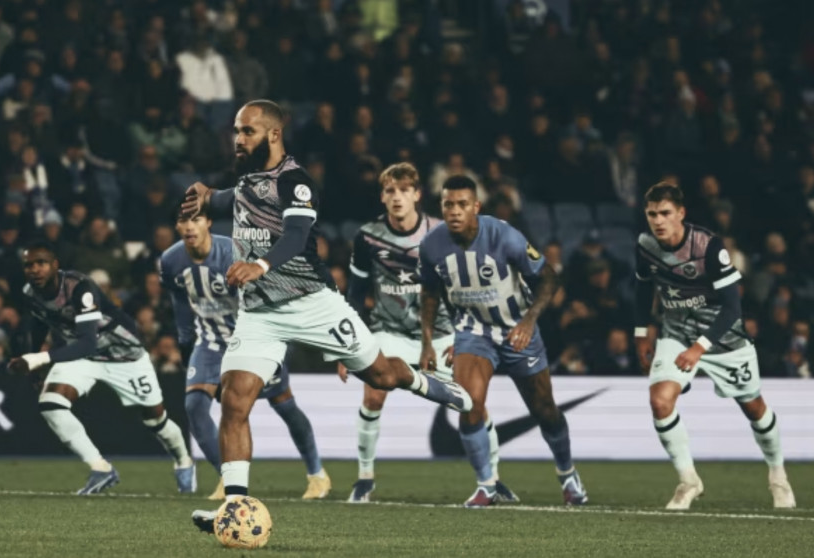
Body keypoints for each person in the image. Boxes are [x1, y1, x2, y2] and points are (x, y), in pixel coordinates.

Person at [185, 100, 470, 533]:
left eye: (247, 132)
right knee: (234, 398)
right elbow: (230, 199)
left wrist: (258, 265)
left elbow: (297, 237)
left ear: (273, 134)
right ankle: (234, 509)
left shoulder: (296, 182)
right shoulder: (247, 180)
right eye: (236, 132)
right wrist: (208, 196)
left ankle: (424, 382)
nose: (238, 139)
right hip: (260, 313)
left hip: (313, 302)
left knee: (380, 377)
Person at [341, 162, 518, 504]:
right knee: (372, 396)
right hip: (388, 331)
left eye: (404, 190)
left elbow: (467, 283)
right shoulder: (367, 236)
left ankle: (493, 479)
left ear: (418, 195)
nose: (397, 197)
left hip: (441, 335)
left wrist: (464, 336)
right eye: (390, 190)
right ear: (382, 196)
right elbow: (355, 293)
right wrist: (349, 347)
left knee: (474, 404)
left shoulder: (441, 232)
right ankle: (364, 477)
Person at [418, 176, 588, 508]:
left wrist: (528, 321)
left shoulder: (504, 235)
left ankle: (567, 474)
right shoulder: (431, 245)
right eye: (448, 205)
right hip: (473, 331)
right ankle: (486, 485)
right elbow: (429, 292)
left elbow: (548, 276)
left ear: (476, 207)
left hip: (515, 330)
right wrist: (428, 341)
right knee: (468, 405)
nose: (454, 211)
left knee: (545, 411)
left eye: (462, 204)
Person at [633, 182, 795, 510]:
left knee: (754, 407)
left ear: (681, 213)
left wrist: (699, 347)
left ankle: (778, 476)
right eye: (652, 214)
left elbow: (733, 307)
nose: (658, 221)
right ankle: (688, 481)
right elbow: (642, 289)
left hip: (724, 337)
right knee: (660, 402)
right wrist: (641, 332)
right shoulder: (645, 245)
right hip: (675, 332)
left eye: (665, 213)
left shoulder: (708, 246)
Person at [161, 209, 330, 501]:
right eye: (183, 221)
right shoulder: (170, 261)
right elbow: (179, 302)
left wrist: (273, 340)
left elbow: (265, 296)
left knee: (284, 404)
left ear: (208, 222)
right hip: (210, 342)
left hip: (251, 340)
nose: (189, 227)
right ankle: (228, 481)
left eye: (196, 219)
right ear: (176, 225)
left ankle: (317, 475)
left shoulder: (232, 253)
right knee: (194, 407)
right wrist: (186, 342)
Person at [10, 240, 194, 495]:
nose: (34, 270)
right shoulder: (30, 293)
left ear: (55, 265)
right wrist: (35, 368)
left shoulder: (79, 287)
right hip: (81, 357)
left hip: (123, 354)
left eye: (41, 263)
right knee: (51, 404)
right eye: (29, 265)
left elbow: (87, 342)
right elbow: (41, 322)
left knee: (155, 420)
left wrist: (36, 359)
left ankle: (184, 461)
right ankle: (101, 468)